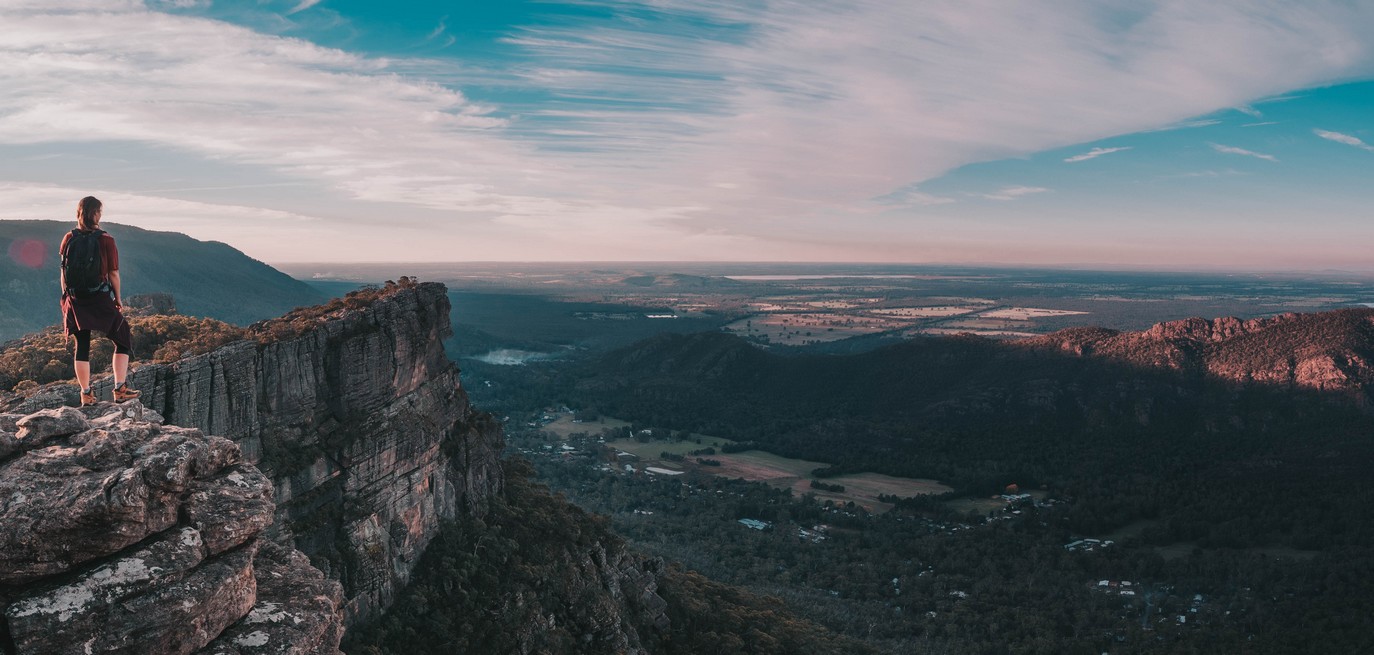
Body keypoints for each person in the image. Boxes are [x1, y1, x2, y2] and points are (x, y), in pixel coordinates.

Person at [59, 196, 140, 406]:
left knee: (82, 344)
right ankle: (120, 389)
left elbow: (63, 272)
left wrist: (67, 297)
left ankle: (86, 394)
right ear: (96, 214)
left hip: (75, 298)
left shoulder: (69, 237)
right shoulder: (106, 239)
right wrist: (117, 298)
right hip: (98, 296)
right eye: (99, 211)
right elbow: (113, 273)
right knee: (122, 336)